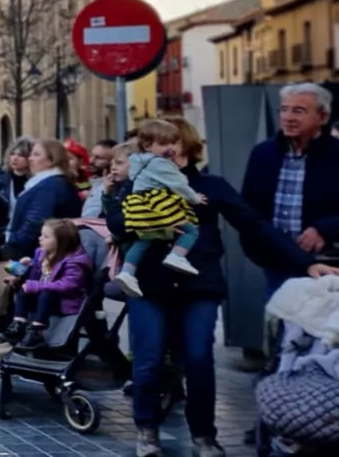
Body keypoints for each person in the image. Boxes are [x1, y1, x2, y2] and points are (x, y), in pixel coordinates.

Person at [109, 116, 338, 457]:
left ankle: (204, 435)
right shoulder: (139, 183)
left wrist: (305, 262)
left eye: (171, 142)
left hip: (198, 285)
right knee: (148, 360)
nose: (165, 149)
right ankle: (147, 429)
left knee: (200, 358)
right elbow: (116, 224)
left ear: (185, 145)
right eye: (156, 143)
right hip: (149, 285)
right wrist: (147, 212)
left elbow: (255, 224)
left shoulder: (211, 187)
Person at [241, 83, 339, 298]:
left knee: (322, 329)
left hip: (328, 264)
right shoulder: (263, 154)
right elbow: (248, 210)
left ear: (322, 117)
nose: (288, 117)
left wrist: (324, 229)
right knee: (279, 327)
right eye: (284, 109)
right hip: (277, 262)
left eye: (299, 111)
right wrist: (257, 248)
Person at [115, 120, 205, 298]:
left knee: (144, 239)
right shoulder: (160, 163)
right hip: (156, 203)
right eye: (164, 144)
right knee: (191, 230)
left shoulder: (138, 161)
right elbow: (178, 184)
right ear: (148, 145)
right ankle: (177, 255)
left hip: (138, 204)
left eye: (173, 142)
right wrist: (194, 198)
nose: (169, 148)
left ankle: (127, 271)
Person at [2, 219, 90, 350]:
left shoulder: (75, 262)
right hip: (42, 299)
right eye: (41, 235)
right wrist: (28, 268)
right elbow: (37, 277)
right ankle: (18, 324)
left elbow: (68, 285)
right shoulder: (41, 254)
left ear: (61, 242)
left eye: (46, 236)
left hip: (64, 302)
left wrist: (36, 286)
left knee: (46, 292)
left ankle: (36, 331)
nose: (40, 238)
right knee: (24, 290)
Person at [2, 138, 82, 259]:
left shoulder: (50, 186)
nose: (30, 158)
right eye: (31, 154)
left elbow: (34, 225)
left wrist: (10, 244)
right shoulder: (49, 183)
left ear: (51, 160)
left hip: (36, 255)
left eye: (36, 154)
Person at [0, 138, 33, 230]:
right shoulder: (0, 182)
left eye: (21, 155)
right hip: (5, 231)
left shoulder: (36, 183)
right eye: (12, 154)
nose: (15, 158)